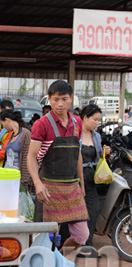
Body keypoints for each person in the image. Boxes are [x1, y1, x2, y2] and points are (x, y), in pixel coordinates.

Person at [27, 80, 89, 253]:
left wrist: (81, 184)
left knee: (81, 235)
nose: (60, 104)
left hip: (72, 188)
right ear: (49, 99)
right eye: (55, 99)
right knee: (45, 238)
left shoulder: (77, 122)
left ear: (71, 99)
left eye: (64, 99)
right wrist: (38, 184)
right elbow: (31, 157)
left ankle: (59, 258)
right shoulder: (42, 124)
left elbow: (77, 155)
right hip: (48, 188)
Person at [79, 104, 110, 256]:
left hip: (92, 178)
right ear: (85, 118)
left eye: (99, 120)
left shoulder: (96, 136)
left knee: (92, 210)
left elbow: (98, 157)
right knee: (75, 213)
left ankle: (87, 246)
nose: (97, 123)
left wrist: (105, 153)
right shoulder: (74, 133)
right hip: (77, 178)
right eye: (95, 119)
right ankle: (72, 245)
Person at [0, 110, 35, 193]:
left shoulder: (25, 134)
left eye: (2, 124)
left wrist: (24, 182)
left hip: (18, 180)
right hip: (7, 178)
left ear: (7, 120)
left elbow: (27, 158)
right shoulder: (11, 134)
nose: (3, 127)